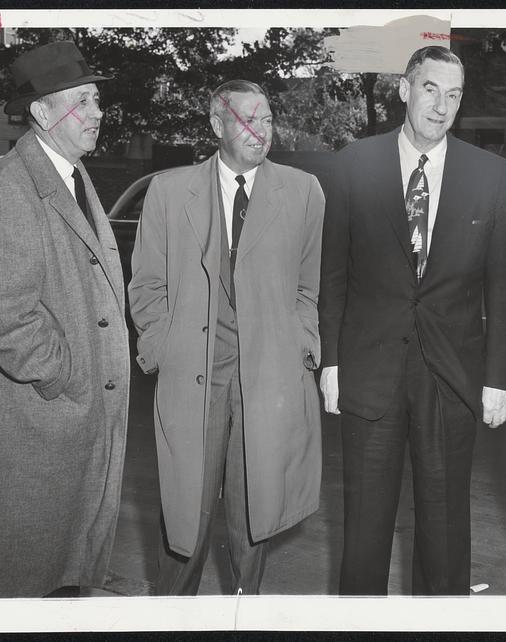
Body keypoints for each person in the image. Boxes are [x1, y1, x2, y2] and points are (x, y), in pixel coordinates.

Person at [319, 45, 506, 595]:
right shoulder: (351, 165)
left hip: (452, 375)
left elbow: (502, 290)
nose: (442, 106)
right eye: (431, 89)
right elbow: (332, 275)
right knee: (363, 527)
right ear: (405, 89)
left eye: (454, 94)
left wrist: (497, 378)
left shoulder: (496, 177)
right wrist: (331, 363)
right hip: (369, 370)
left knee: (446, 526)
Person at [129, 79, 325, 595]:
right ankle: (173, 616)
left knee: (253, 515)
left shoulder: (303, 192)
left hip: (268, 377)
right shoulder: (170, 192)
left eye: (267, 119)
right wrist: (162, 349)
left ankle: (244, 612)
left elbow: (310, 286)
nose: (262, 130)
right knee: (185, 519)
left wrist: (303, 346)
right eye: (248, 119)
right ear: (217, 125)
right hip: (193, 373)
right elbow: (146, 284)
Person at [0, 41, 130, 598]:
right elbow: (1, 314)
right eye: (83, 101)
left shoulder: (72, 175)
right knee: (23, 581)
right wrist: (65, 375)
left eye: (97, 101)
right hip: (43, 423)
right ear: (42, 112)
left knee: (66, 577)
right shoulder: (11, 185)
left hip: (77, 423)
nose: (97, 112)